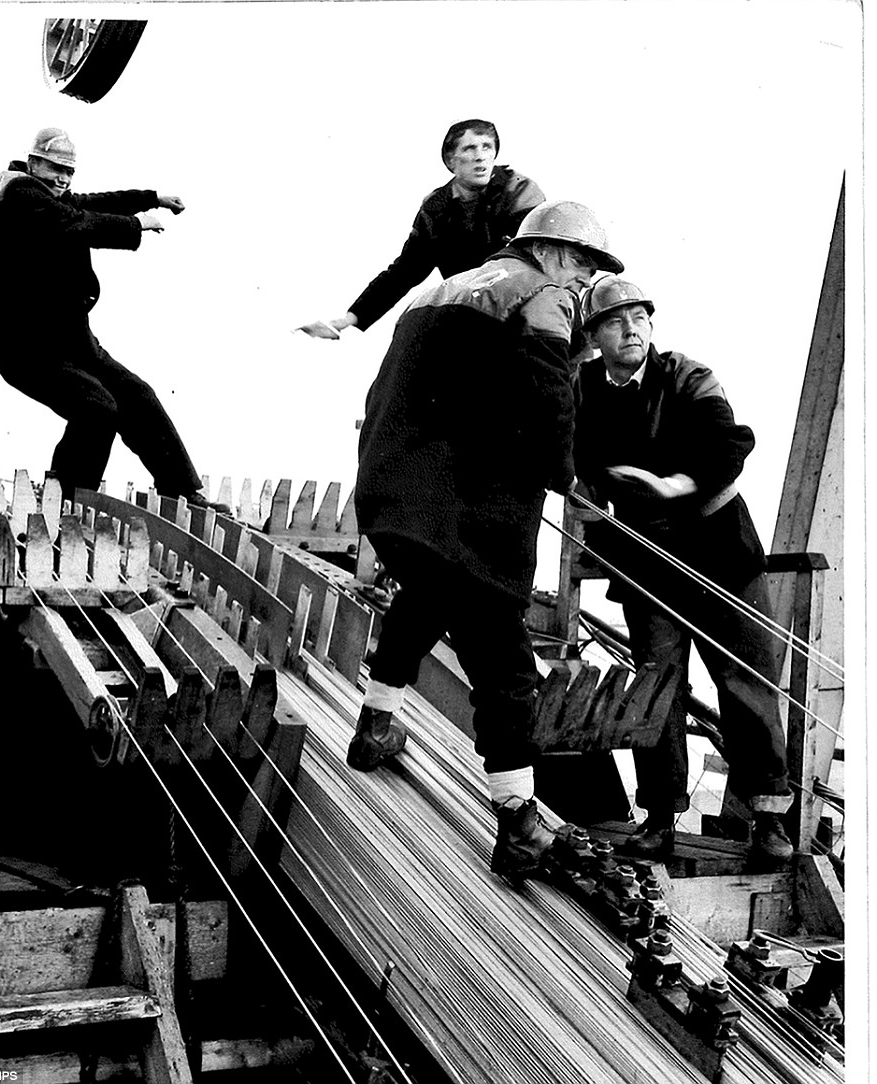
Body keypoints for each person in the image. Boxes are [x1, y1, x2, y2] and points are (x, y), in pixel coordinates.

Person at [347, 201, 623, 883]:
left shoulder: (438, 289)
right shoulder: (545, 292)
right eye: (586, 265)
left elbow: (401, 387)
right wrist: (571, 480)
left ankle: (375, 725)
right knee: (505, 660)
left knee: (425, 596)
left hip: (393, 494)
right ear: (556, 252)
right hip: (471, 508)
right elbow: (548, 392)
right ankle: (518, 821)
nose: (586, 280)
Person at [572, 276, 794, 867]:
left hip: (721, 555)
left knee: (746, 682)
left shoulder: (689, 376)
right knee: (657, 686)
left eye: (640, 317)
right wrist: (591, 509)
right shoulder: (582, 387)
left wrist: (679, 483)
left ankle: (769, 818)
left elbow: (730, 444)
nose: (632, 328)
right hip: (648, 561)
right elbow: (574, 464)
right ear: (594, 336)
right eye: (617, 321)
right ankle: (660, 815)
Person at [0, 127, 228, 511]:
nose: (63, 178)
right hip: (25, 348)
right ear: (33, 163)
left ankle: (182, 493)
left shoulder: (46, 195)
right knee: (96, 407)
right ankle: (65, 505)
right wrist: (140, 223)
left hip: (68, 342)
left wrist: (151, 198)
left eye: (69, 171)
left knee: (136, 395)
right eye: (56, 168)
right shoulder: (20, 196)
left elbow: (93, 204)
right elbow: (77, 223)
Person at [300, 119, 545, 338]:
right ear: (451, 160)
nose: (481, 156)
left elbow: (536, 258)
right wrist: (349, 319)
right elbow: (406, 270)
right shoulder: (436, 208)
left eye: (487, 147)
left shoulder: (519, 190)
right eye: (469, 148)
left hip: (526, 311)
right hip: (470, 314)